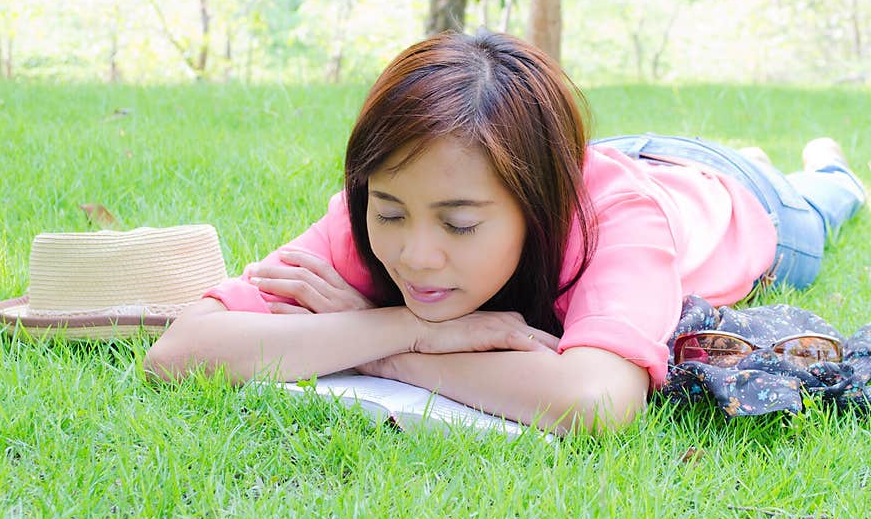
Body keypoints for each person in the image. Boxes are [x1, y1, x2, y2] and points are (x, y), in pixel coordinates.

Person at [144, 30, 867, 435]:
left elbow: (594, 402)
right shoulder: (411, 185)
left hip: (735, 200)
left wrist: (386, 346)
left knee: (825, 199)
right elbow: (180, 351)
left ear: (536, 204)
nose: (414, 253)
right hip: (594, 144)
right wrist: (404, 325)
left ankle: (820, 169)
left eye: (459, 224)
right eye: (389, 212)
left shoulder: (617, 220)